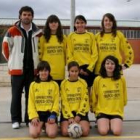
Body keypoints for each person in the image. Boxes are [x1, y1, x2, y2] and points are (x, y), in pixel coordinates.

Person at [2, 6, 42, 129]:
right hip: (17, 69)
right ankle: (15, 120)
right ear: (20, 16)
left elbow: (41, 50)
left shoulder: (38, 32)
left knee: (30, 96)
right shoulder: (12, 30)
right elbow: (5, 48)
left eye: (29, 15)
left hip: (32, 70)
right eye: (24, 14)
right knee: (16, 95)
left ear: (32, 17)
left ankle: (29, 119)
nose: (26, 17)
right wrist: (12, 61)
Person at [91, 55, 127, 136]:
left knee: (117, 132)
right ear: (104, 65)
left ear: (116, 66)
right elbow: (94, 96)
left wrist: (120, 107)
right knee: (103, 132)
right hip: (102, 111)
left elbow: (124, 95)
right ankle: (102, 121)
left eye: (112, 64)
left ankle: (112, 122)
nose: (110, 66)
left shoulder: (121, 79)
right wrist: (94, 109)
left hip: (116, 111)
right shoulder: (98, 79)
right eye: (107, 63)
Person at [28, 61, 59, 138]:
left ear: (49, 72)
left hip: (49, 114)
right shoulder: (33, 85)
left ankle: (46, 125)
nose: (43, 73)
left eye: (46, 70)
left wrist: (53, 115)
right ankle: (39, 125)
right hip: (38, 114)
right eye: (41, 71)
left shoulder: (54, 85)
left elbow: (56, 102)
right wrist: (33, 116)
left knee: (52, 134)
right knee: (34, 134)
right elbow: (30, 102)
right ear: (38, 72)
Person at [67, 15, 98, 89]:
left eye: (82, 22)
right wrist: (75, 68)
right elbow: (69, 53)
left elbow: (95, 54)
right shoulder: (71, 36)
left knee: (88, 90)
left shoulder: (90, 36)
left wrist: (89, 69)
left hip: (88, 68)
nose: (80, 25)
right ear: (74, 24)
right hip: (76, 68)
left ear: (85, 23)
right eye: (77, 23)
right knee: (76, 90)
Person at [60, 61, 90, 137]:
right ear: (68, 71)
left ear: (79, 71)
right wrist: (70, 116)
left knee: (85, 132)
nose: (74, 73)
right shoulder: (63, 83)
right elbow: (64, 102)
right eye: (72, 71)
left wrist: (79, 115)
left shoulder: (83, 82)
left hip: (80, 113)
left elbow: (85, 100)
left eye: (76, 71)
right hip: (68, 113)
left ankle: (82, 123)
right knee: (64, 132)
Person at [38, 14, 66, 86]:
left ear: (58, 24)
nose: (53, 24)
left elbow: (66, 54)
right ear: (48, 24)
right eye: (51, 22)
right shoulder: (43, 38)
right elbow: (40, 55)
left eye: (55, 22)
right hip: (46, 72)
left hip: (59, 71)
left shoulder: (64, 38)